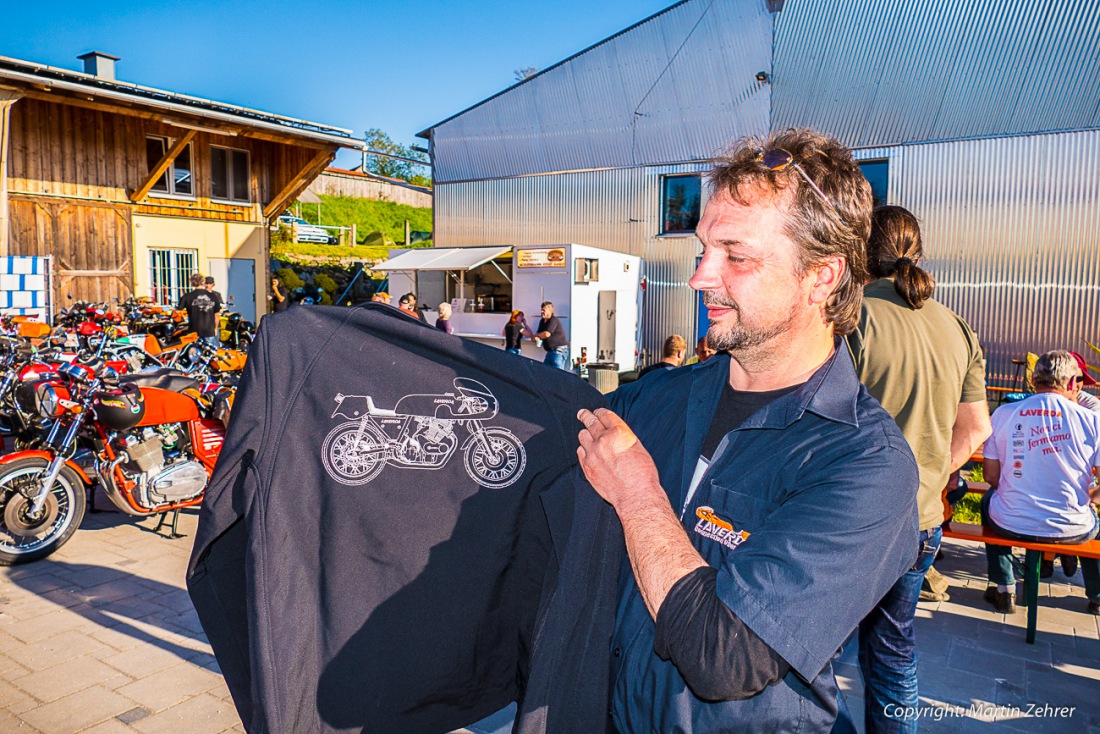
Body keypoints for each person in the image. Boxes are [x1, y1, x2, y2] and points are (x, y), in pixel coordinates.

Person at [575, 127, 918, 733]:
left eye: (736, 257)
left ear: (822, 276)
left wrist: (638, 493)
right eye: (703, 251)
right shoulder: (662, 395)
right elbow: (547, 424)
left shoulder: (864, 465)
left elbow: (722, 657)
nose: (701, 277)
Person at [846, 205, 992, 734]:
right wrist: (926, 473)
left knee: (810, 646)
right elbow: (976, 429)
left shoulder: (851, 318)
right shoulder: (957, 326)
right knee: (892, 650)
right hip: (924, 519)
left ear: (861, 252)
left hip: (856, 518)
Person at [981, 350, 1100, 616]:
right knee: (1095, 525)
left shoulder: (1003, 413)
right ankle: (1097, 597)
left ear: (1034, 381)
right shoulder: (1093, 419)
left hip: (1011, 524)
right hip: (1073, 527)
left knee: (989, 501)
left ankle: (1004, 588)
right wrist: (1090, 499)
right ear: (1071, 383)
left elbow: (990, 477)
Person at [178, 274, 224, 348]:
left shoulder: (187, 296)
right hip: (209, 331)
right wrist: (215, 329)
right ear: (203, 282)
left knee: (193, 356)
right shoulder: (213, 296)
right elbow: (216, 315)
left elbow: (178, 311)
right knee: (212, 356)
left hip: (193, 332)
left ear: (192, 283)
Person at [535, 301, 569, 370]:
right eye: (541, 310)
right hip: (550, 351)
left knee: (558, 373)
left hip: (559, 351)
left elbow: (546, 334)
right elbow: (538, 334)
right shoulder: (542, 321)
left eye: (543, 310)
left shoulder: (553, 320)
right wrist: (537, 336)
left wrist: (538, 335)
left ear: (550, 311)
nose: (542, 312)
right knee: (545, 371)